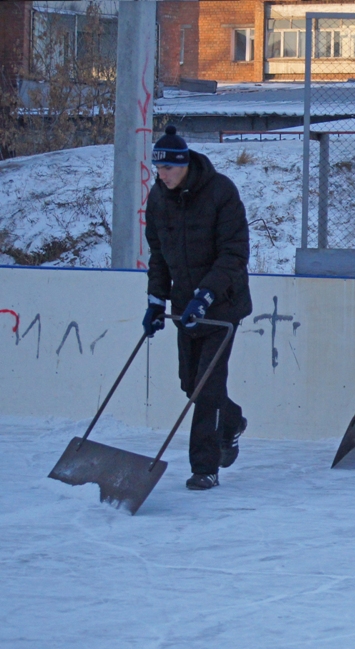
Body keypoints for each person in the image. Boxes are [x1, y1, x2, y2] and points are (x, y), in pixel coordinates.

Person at [143, 126, 252, 491]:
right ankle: (232, 419)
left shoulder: (221, 192)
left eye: (168, 170)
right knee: (190, 384)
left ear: (184, 165)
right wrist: (156, 301)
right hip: (184, 306)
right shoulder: (158, 199)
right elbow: (159, 256)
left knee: (207, 387)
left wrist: (206, 294)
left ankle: (205, 467)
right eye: (158, 170)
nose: (161, 176)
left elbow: (234, 254)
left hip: (222, 305)